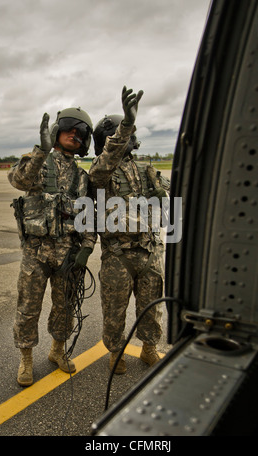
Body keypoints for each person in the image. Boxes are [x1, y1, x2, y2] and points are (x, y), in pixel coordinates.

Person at [8, 107, 96, 386]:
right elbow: (18, 180)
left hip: (69, 254)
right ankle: (26, 359)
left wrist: (88, 247)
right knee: (28, 307)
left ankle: (57, 351)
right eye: (69, 127)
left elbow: (89, 215)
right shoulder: (38, 163)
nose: (74, 134)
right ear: (56, 131)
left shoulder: (83, 177)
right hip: (36, 253)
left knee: (65, 306)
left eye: (80, 131)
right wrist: (41, 151)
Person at [89, 86, 170, 374]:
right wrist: (125, 124)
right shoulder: (101, 171)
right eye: (120, 135)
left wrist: (164, 196)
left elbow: (169, 199)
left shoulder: (146, 170)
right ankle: (115, 353)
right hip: (118, 254)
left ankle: (149, 348)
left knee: (152, 307)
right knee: (114, 310)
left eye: (129, 134)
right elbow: (102, 169)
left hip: (149, 251)